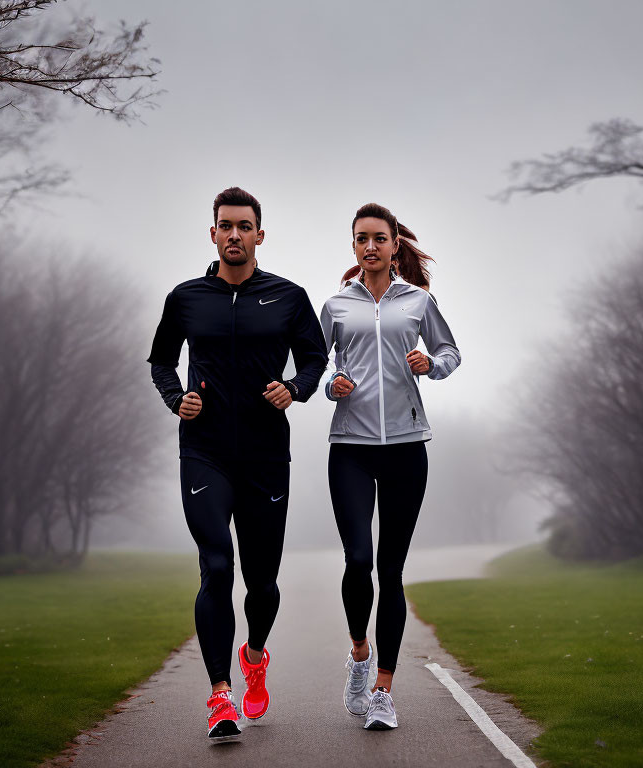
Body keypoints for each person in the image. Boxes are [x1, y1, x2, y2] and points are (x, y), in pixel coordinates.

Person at [148, 187, 327, 741]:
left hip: (266, 455)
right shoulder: (186, 298)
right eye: (225, 226)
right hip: (204, 452)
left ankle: (253, 654)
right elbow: (160, 360)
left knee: (261, 581)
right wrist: (178, 399)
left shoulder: (288, 297)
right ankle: (220, 695)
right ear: (212, 233)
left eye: (243, 226)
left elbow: (316, 356)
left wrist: (295, 389)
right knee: (216, 566)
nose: (233, 235)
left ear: (259, 235)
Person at [320, 202, 461, 730]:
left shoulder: (418, 302)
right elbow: (309, 366)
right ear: (354, 246)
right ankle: (359, 653)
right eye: (362, 239)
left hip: (406, 448)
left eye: (379, 238)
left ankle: (383, 689)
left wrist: (432, 364)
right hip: (351, 448)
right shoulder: (335, 305)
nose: (371, 246)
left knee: (391, 569)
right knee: (358, 560)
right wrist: (328, 384)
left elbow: (450, 352)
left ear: (394, 244)